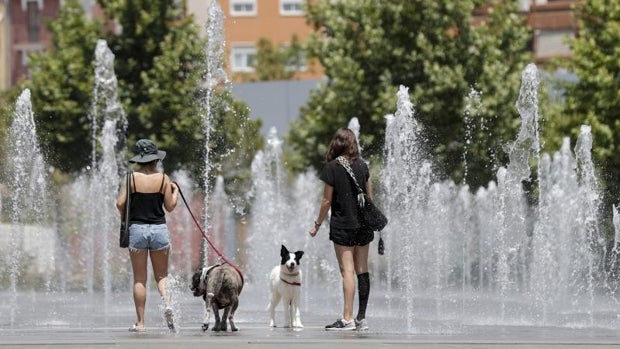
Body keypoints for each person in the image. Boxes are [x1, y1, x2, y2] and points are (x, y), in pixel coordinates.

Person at [309, 128, 373, 331]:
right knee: (362, 270)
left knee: (347, 271)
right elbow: (370, 198)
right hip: (363, 225)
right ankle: (361, 318)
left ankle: (347, 319)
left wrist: (317, 224)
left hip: (343, 225)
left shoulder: (332, 167)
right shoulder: (363, 166)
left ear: (336, 144)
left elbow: (327, 200)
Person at [116, 139, 179, 332]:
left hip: (137, 229)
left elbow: (120, 204)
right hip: (159, 229)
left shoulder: (130, 178)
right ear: (155, 160)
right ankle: (168, 304)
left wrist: (126, 217)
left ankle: (141, 323)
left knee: (139, 279)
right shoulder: (163, 179)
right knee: (162, 276)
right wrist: (175, 192)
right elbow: (170, 206)